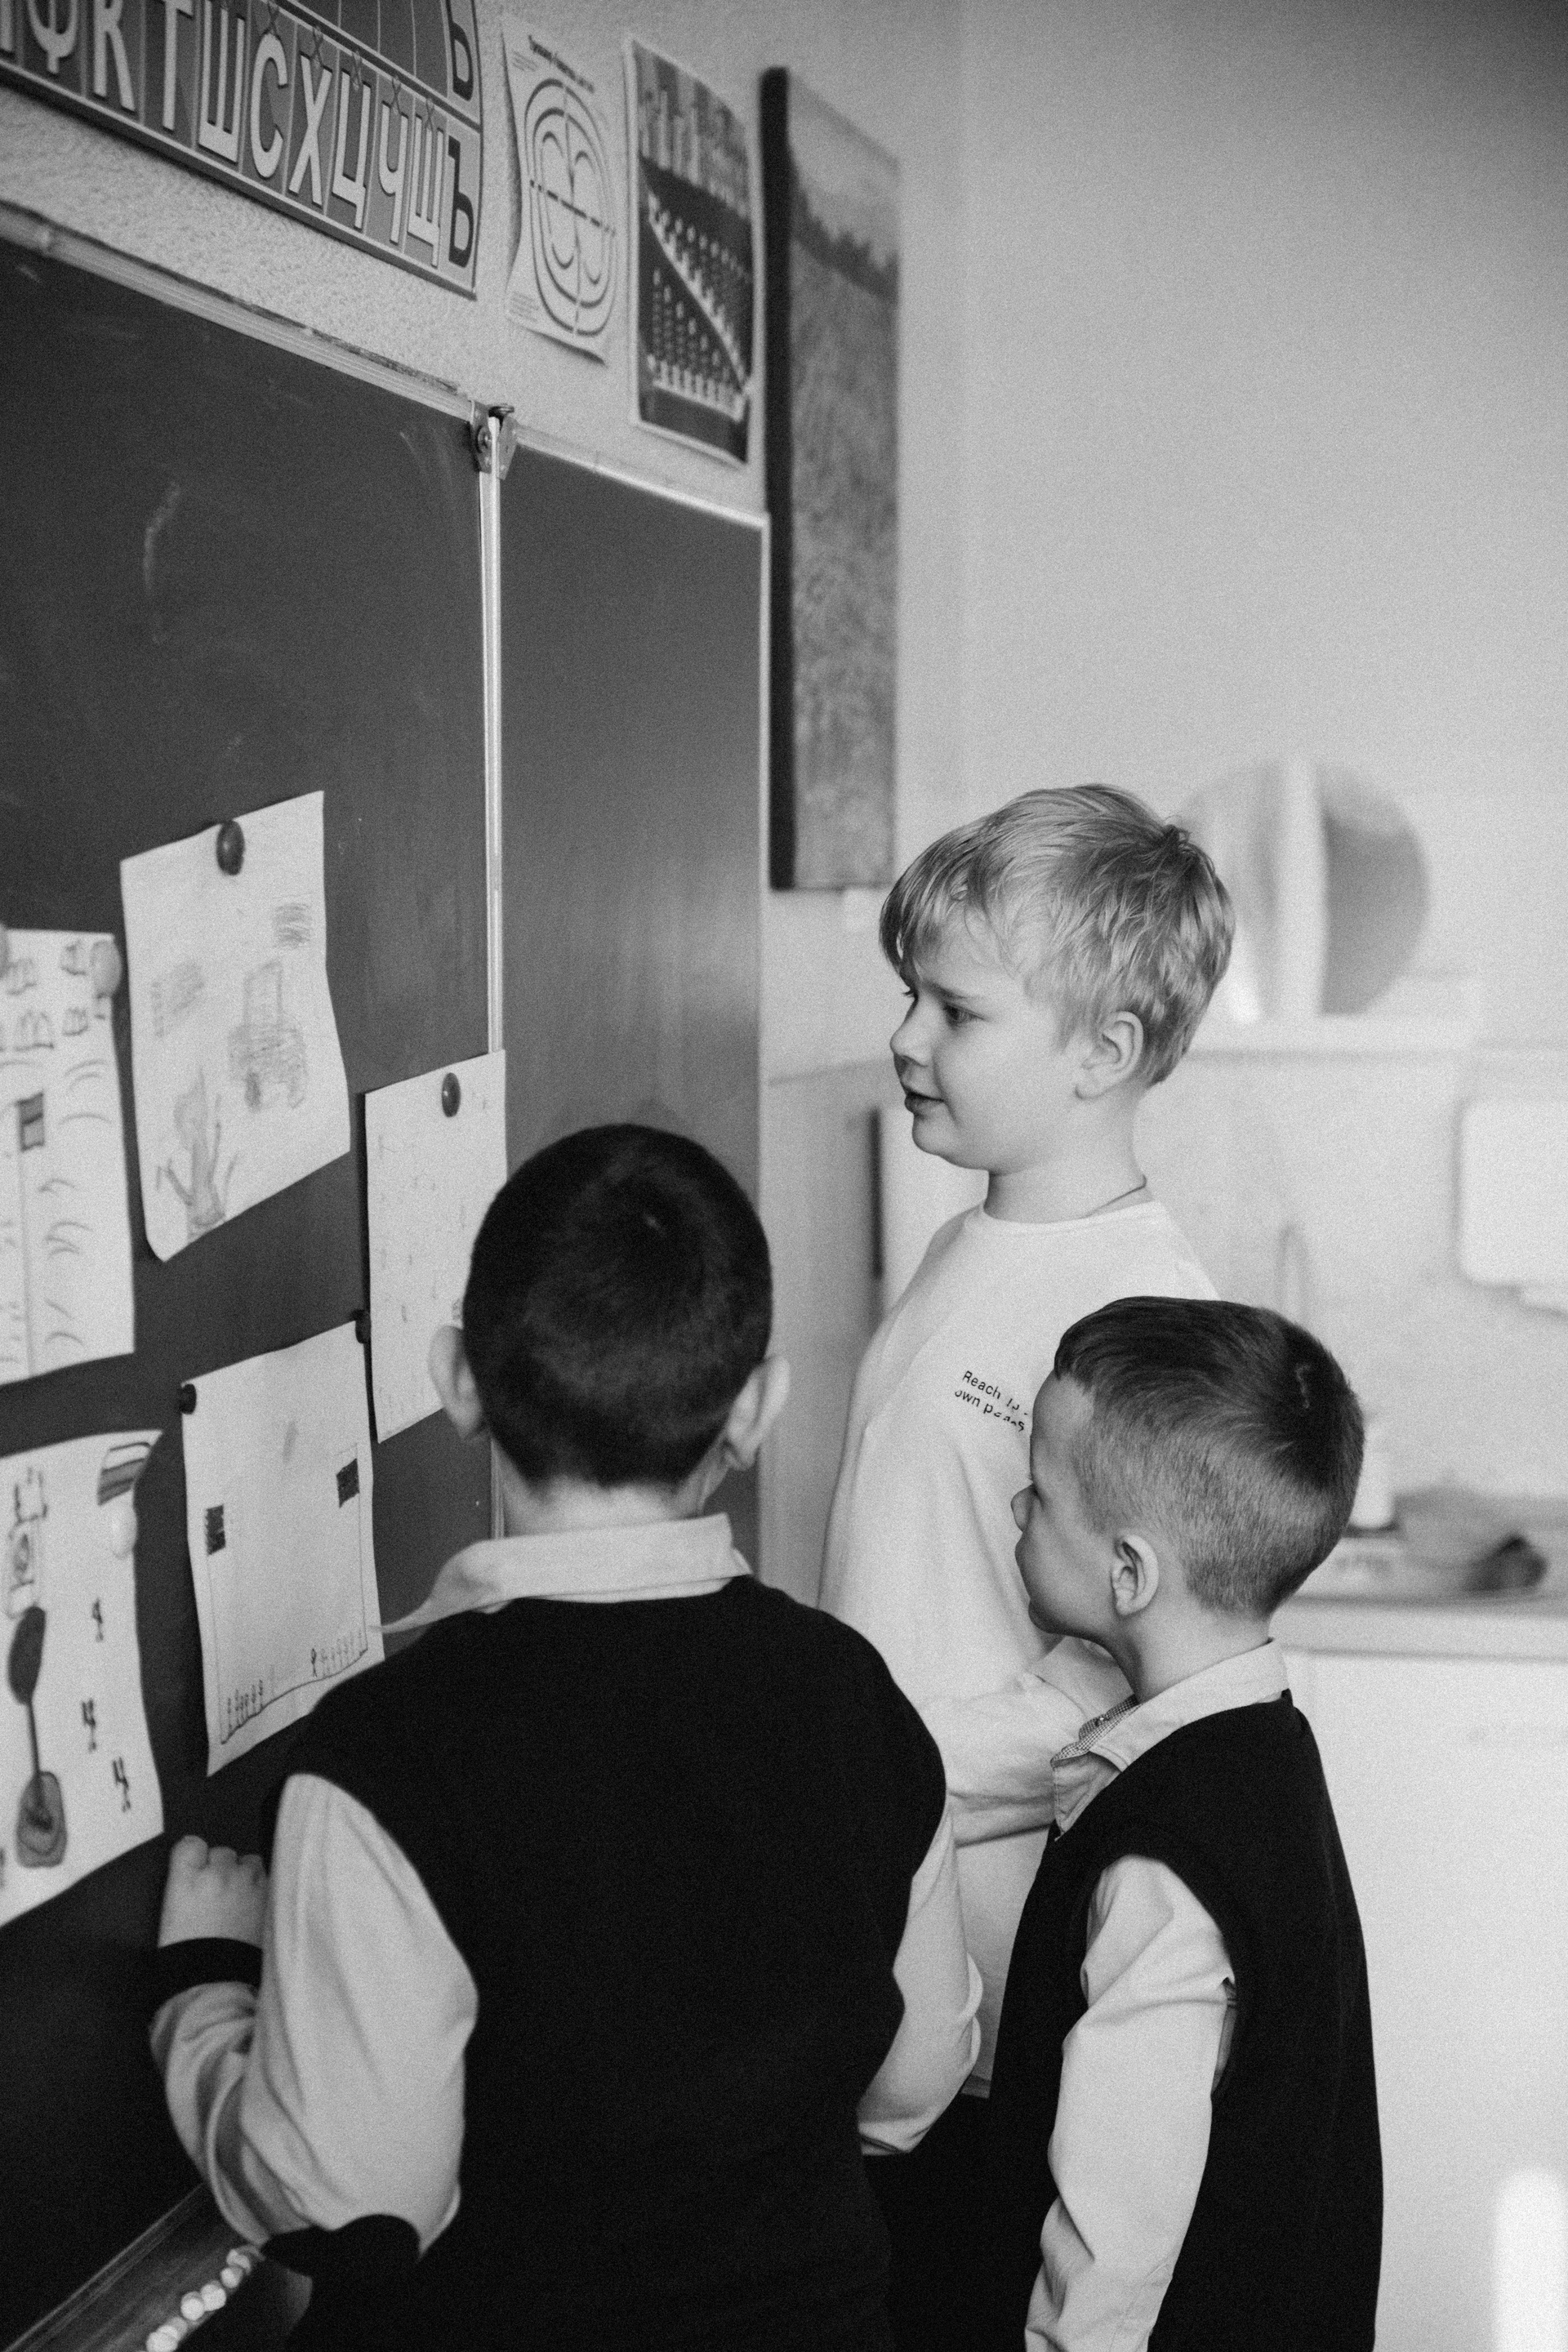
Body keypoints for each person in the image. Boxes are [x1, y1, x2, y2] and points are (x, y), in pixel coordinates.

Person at [149, 1125, 981, 2352]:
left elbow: (357, 2210)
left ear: (458, 1381)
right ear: (758, 1405)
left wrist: (205, 1995)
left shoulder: (386, 1752)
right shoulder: (854, 1696)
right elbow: (912, 2086)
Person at [817, 785, 1233, 2341]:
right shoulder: (964, 1244)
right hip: (886, 1915)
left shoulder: (1148, 1324)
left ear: (1103, 1053)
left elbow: (1131, 1684)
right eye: (909, 995)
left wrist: (870, 1773)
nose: (906, 1038)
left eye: (957, 1010)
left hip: (991, 1976)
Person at [985, 1295, 1381, 2350]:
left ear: (1129, 1573)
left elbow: (1111, 2247)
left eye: (1041, 1493)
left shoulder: (1165, 1862)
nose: (1016, 1507)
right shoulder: (1263, 1747)